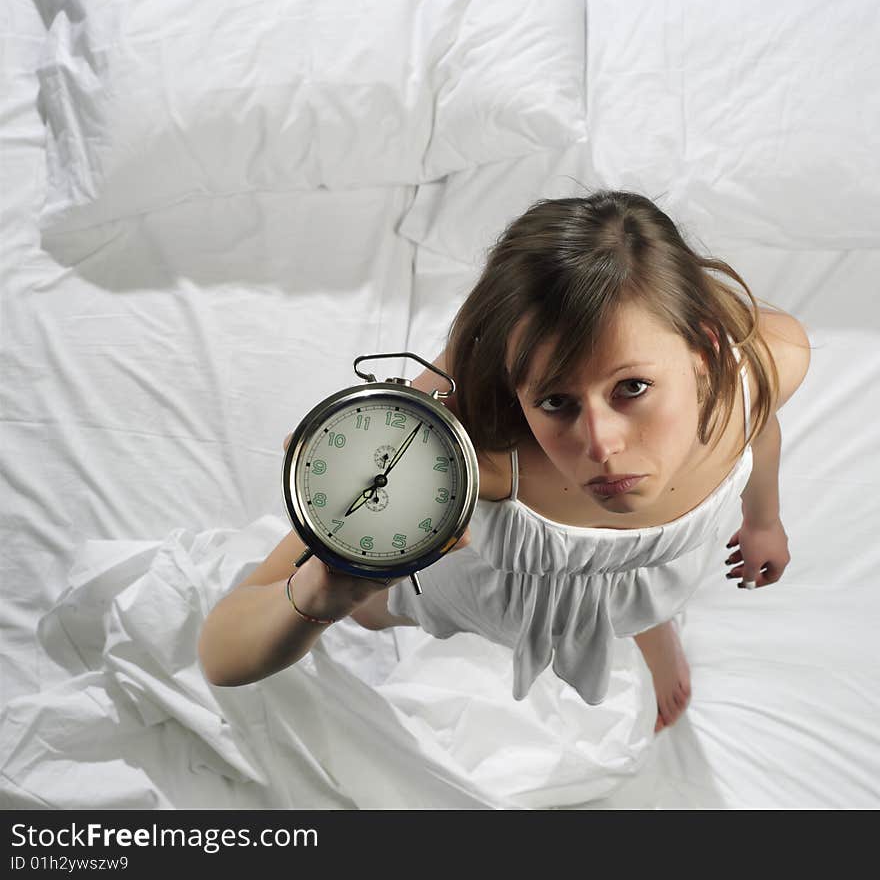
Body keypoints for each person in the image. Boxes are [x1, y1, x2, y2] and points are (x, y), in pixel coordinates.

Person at [198, 190, 811, 734]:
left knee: (634, 591)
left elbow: (761, 430)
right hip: (491, 588)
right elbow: (220, 654)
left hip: (648, 574)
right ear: (516, 390)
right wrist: (325, 592)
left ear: (705, 350)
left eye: (631, 388)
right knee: (380, 614)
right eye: (555, 400)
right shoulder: (464, 459)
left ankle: (651, 629)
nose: (601, 447)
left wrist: (763, 521)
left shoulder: (765, 367)